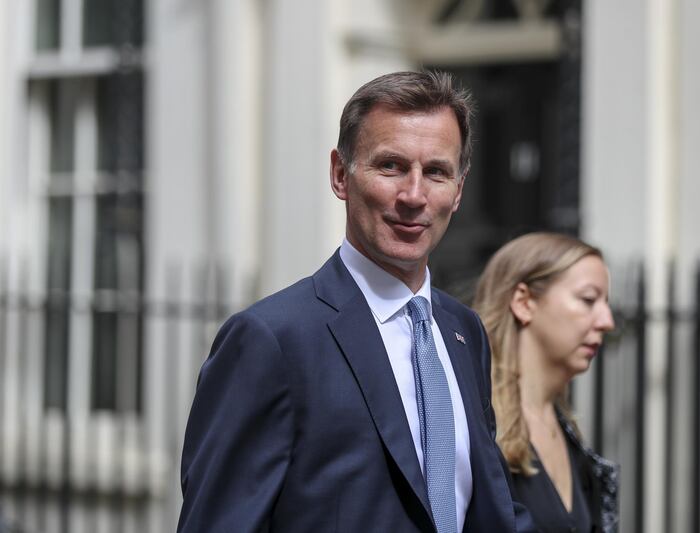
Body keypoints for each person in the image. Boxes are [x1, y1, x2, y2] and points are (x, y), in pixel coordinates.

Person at [178, 71, 534, 532]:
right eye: (390, 166)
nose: (414, 195)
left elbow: (490, 511)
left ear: (459, 190)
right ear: (340, 175)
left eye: (436, 172)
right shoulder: (272, 340)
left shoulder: (463, 331)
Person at [472, 233, 619, 533]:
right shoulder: (477, 422)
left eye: (605, 303)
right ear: (524, 302)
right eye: (588, 300)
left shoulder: (567, 431)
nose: (607, 320)